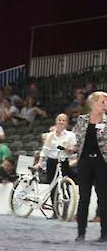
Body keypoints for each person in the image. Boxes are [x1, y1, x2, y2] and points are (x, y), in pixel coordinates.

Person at [71, 92, 107, 242]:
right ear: (93, 104)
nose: (105, 105)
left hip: (102, 163)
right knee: (84, 198)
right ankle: (81, 233)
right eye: (103, 102)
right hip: (85, 162)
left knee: (104, 199)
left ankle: (104, 234)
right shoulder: (82, 120)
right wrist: (67, 148)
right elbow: (75, 141)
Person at [37, 113, 76, 184]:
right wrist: (39, 162)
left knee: (64, 183)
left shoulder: (71, 135)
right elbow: (45, 150)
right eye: (59, 120)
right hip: (51, 161)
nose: (61, 122)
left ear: (67, 123)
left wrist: (67, 149)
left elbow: (73, 149)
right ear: (56, 122)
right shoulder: (50, 135)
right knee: (51, 183)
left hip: (63, 161)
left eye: (64, 120)